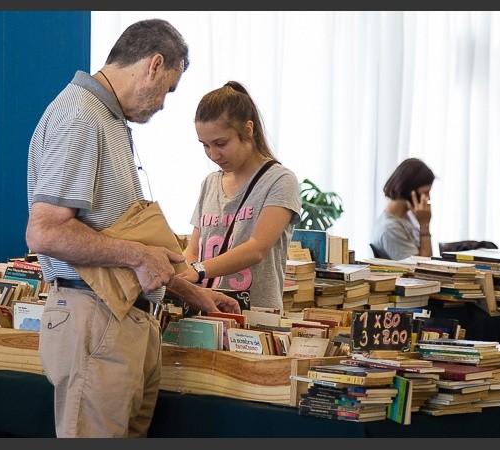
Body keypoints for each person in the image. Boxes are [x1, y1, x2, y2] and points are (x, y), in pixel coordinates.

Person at [25, 19, 241, 438]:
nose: (162, 104)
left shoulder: (104, 117)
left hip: (120, 319)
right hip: (96, 316)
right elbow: (44, 233)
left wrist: (189, 291)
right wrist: (138, 255)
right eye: (168, 89)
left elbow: (116, 234)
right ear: (153, 65)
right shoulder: (81, 118)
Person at [177, 81, 301, 312]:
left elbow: (257, 248)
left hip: (255, 317)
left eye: (221, 143)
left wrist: (199, 270)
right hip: (206, 312)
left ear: (248, 130)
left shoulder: (280, 180)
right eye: (205, 145)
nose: (213, 154)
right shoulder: (210, 183)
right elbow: (193, 250)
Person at [370, 157, 435, 260]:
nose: (428, 198)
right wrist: (424, 225)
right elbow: (423, 268)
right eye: (425, 192)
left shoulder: (408, 216)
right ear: (410, 190)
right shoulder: (391, 228)